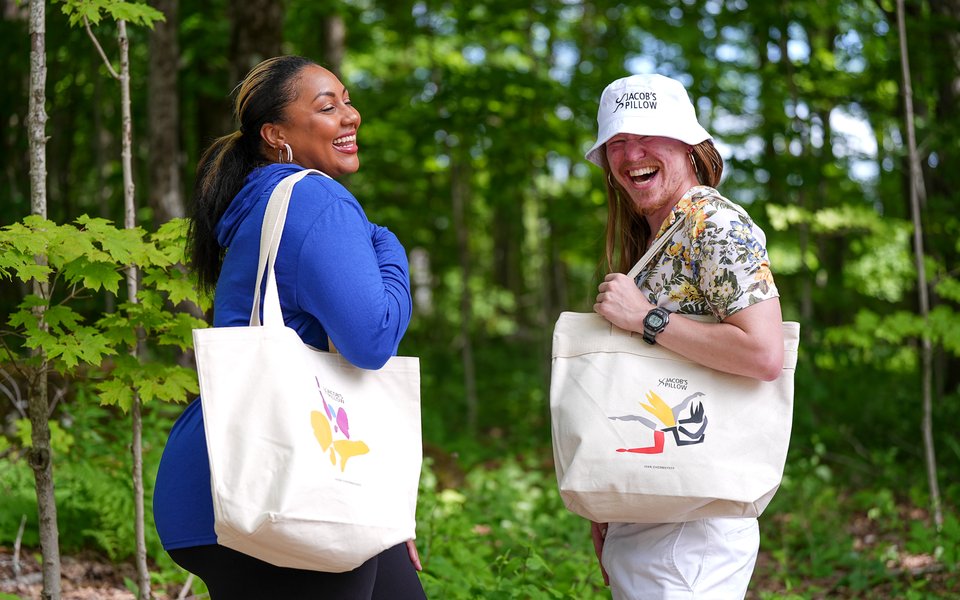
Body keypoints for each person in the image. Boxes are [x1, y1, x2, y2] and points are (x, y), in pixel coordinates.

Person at [152, 55, 426, 599]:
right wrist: (389, 247)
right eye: (328, 106)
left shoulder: (261, 206)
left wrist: (377, 511)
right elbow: (372, 339)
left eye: (348, 100)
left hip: (234, 478)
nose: (351, 115)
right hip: (280, 488)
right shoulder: (314, 197)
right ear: (276, 134)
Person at [584, 73, 784, 599]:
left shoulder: (714, 224)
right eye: (618, 142)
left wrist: (647, 318)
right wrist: (610, 498)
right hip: (653, 499)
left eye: (648, 135)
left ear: (690, 145)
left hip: (693, 523)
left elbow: (764, 354)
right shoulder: (657, 235)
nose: (632, 154)